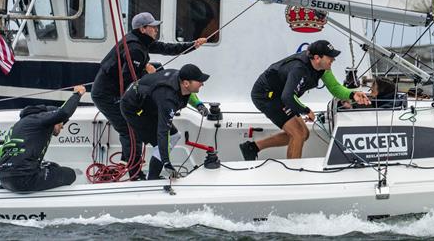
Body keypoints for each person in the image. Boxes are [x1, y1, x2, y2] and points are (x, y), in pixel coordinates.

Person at [91, 11, 206, 178]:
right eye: (153, 27)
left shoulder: (142, 41)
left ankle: (127, 161)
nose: (156, 30)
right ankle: (135, 175)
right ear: (143, 29)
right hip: (108, 95)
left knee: (157, 66)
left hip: (116, 91)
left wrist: (193, 45)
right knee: (130, 131)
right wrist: (149, 75)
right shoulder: (135, 48)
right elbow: (129, 81)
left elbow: (167, 48)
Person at [240, 40, 371, 161]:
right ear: (317, 58)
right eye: (330, 57)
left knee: (304, 133)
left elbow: (335, 88)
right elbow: (287, 97)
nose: (333, 59)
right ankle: (294, 175)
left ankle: (252, 147)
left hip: (282, 94)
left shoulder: (323, 69)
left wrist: (353, 94)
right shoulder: (299, 68)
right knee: (297, 134)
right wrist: (305, 110)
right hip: (266, 95)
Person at [120, 63, 210, 179]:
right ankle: (152, 178)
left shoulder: (180, 77)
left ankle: (152, 173)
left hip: (148, 102)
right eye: (199, 81)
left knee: (175, 136)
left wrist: (198, 105)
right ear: (186, 83)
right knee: (161, 143)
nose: (202, 84)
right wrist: (167, 162)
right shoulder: (168, 100)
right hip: (134, 109)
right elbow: (162, 132)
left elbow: (188, 93)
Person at [0, 85, 86, 192]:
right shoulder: (40, 119)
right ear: (51, 118)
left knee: (53, 167)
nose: (62, 127)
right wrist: (77, 94)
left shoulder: (20, 125)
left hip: (4, 179)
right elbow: (64, 112)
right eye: (61, 123)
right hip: (25, 179)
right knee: (70, 174)